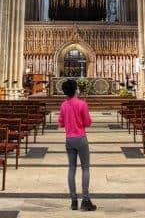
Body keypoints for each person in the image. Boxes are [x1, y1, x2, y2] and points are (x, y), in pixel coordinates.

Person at [58, 79, 96, 211]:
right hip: (80, 138)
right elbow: (88, 122)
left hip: (69, 139)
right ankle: (85, 200)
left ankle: (73, 200)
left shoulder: (63, 105)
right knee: (85, 168)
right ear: (75, 90)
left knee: (71, 168)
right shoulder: (82, 104)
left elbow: (61, 123)